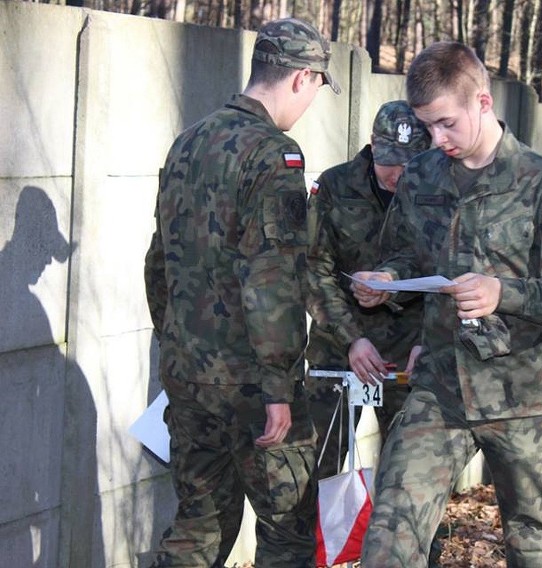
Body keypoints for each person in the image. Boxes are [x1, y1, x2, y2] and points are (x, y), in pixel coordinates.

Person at [352, 41, 542, 567]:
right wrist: (387, 279)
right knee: (389, 537)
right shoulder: (421, 176)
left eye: (447, 123)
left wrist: (504, 293)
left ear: (483, 103)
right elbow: (405, 252)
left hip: (526, 400)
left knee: (534, 544)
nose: (437, 138)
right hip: (441, 387)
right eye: (428, 127)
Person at [143, 18, 339, 568]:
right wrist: (279, 383)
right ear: (303, 77)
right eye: (319, 87)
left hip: (187, 377)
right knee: (288, 529)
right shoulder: (275, 155)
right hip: (254, 385)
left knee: (197, 526)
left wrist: (177, 347)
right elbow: (272, 277)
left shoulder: (188, 143)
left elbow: (159, 263)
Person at [305, 100, 430, 479]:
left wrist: (395, 289)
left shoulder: (434, 193)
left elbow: (440, 268)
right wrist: (351, 339)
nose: (397, 174)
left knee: (412, 477)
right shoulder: (333, 187)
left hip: (406, 354)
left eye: (409, 163)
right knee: (318, 471)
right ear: (373, 145)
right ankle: (319, 542)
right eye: (389, 161)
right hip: (339, 353)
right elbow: (313, 269)